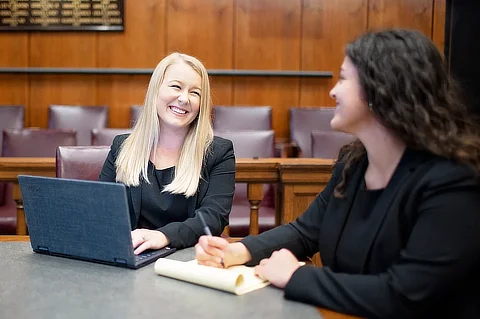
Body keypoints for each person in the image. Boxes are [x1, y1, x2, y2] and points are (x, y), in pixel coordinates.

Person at [195, 29, 480, 318]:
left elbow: (404, 295)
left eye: (343, 78)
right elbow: (305, 232)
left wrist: (296, 276)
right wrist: (238, 251)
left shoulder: (452, 181)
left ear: (381, 89)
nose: (333, 91)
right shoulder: (353, 165)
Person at [100, 52, 235, 255]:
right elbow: (101, 207)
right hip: (129, 257)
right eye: (176, 87)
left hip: (186, 260)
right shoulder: (122, 146)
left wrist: (163, 237)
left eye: (195, 93)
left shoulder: (219, 152)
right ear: (156, 90)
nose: (184, 98)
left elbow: (213, 217)